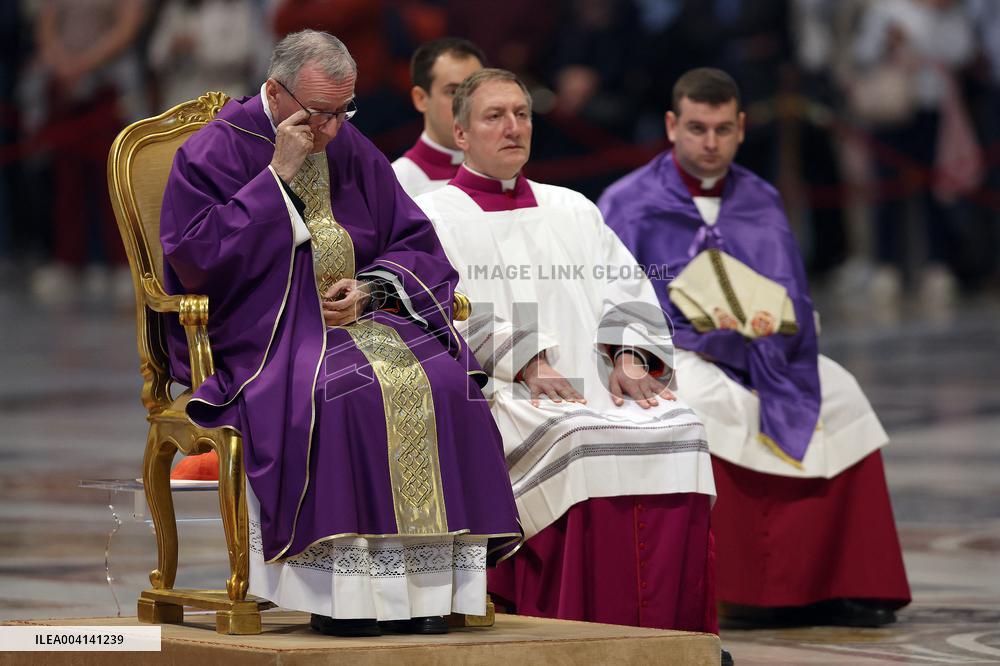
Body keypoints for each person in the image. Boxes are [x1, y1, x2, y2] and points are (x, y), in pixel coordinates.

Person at [160, 30, 521, 637]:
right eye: (317, 113)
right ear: (276, 93)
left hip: (360, 319)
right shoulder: (214, 151)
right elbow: (196, 258)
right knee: (345, 390)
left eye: (341, 111)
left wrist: (372, 290)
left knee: (445, 379)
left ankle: (426, 593)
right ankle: (347, 598)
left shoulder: (349, 143)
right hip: (264, 333)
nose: (329, 129)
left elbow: (412, 239)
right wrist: (277, 175)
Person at [598, 67, 911, 627]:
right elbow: (607, 302)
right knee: (706, 403)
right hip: (672, 352)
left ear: (742, 128)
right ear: (671, 126)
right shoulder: (629, 201)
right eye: (696, 128)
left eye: (722, 128)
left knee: (843, 393)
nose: (710, 143)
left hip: (763, 351)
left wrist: (771, 326)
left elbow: (792, 290)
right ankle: (744, 590)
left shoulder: (762, 199)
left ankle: (848, 579)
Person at [414, 68, 718, 635]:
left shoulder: (572, 207)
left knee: (685, 428)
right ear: (460, 134)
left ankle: (677, 636)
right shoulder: (435, 216)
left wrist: (629, 357)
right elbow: (446, 304)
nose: (513, 128)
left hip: (599, 383)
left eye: (522, 115)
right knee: (578, 438)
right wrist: (527, 359)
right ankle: (574, 627)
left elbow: (624, 286)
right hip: (508, 390)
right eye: (494, 116)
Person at [392, 37, 484, 197]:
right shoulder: (395, 182)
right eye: (453, 92)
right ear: (421, 98)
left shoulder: (505, 172)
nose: (468, 104)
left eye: (475, 90)